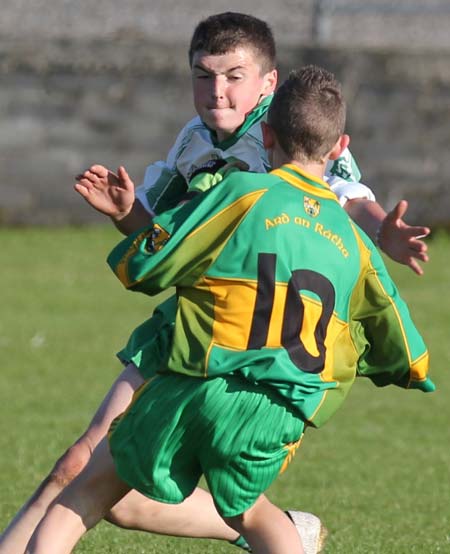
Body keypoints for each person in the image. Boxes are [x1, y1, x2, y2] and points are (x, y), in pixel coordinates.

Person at [0, 11, 429, 554]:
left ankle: (277, 530)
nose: (217, 92)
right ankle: (284, 532)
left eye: (234, 76)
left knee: (100, 478)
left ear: (268, 85)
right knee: (85, 472)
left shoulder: (287, 136)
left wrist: (382, 229)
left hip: (243, 348)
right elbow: (161, 236)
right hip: (185, 327)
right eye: (204, 75)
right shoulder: (192, 142)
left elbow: (346, 196)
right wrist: (128, 213)